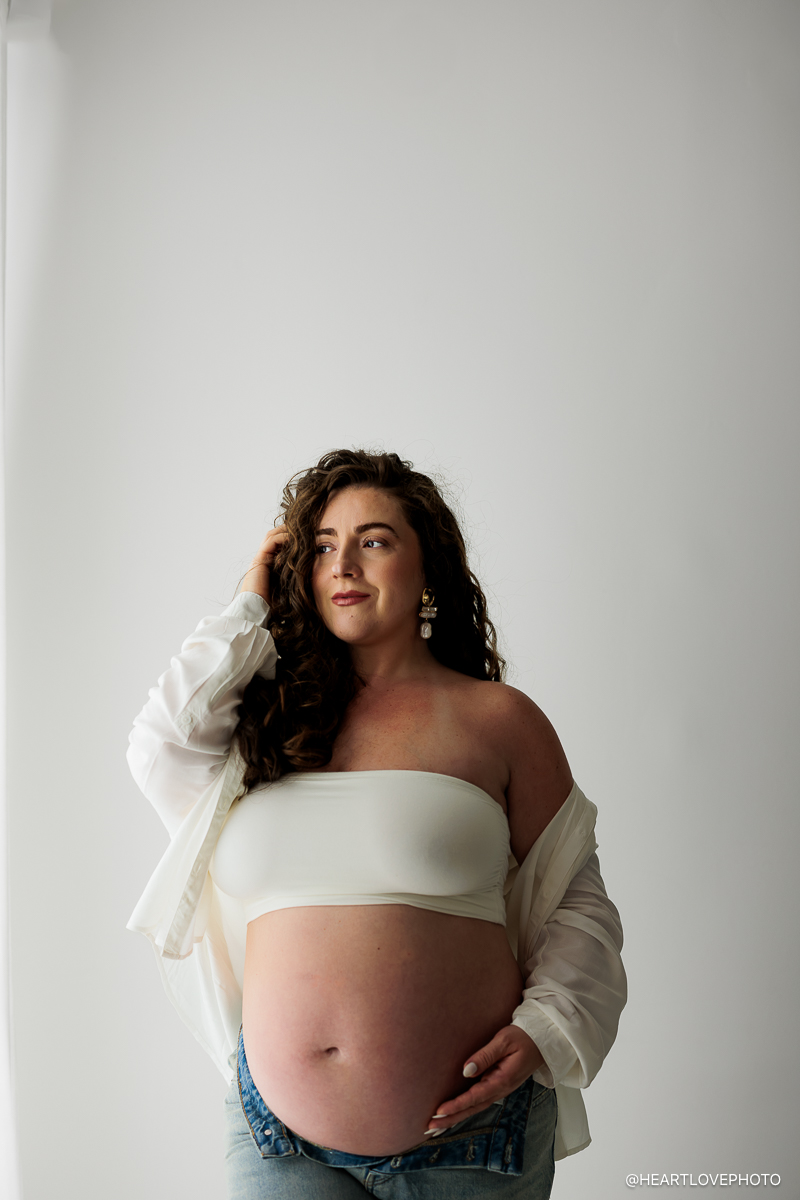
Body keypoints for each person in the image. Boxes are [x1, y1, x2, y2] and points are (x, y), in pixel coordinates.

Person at [127, 448, 627, 1199]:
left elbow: (576, 902)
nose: (344, 565)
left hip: (469, 1138)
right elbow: (159, 745)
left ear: (428, 569)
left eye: (375, 541)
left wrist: (546, 1030)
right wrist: (249, 603)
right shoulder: (263, 724)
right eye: (322, 545)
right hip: (276, 1140)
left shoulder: (498, 721)